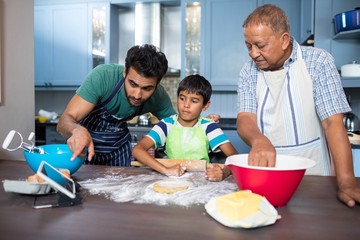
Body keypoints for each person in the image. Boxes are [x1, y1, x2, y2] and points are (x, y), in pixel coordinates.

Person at [236, 4, 360, 207]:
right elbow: (245, 118)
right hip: (268, 178)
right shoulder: (248, 72)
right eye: (248, 46)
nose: (253, 53)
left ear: (284, 40)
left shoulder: (318, 62)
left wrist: (346, 181)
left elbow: (332, 123)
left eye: (260, 45)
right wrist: (258, 140)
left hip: (315, 178)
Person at [57, 44, 219, 167]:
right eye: (133, 84)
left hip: (118, 150)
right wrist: (77, 129)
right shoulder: (102, 77)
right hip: (84, 149)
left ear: (157, 83)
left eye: (147, 88)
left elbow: (179, 125)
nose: (137, 95)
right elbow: (65, 120)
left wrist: (203, 122)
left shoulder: (159, 96)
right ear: (125, 72)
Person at [132, 74, 238, 181]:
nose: (186, 105)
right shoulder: (167, 125)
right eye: (182, 98)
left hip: (202, 182)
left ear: (205, 105)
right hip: (172, 180)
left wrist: (225, 171)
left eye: (194, 101)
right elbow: (137, 150)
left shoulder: (209, 127)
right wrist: (165, 170)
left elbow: (234, 156)